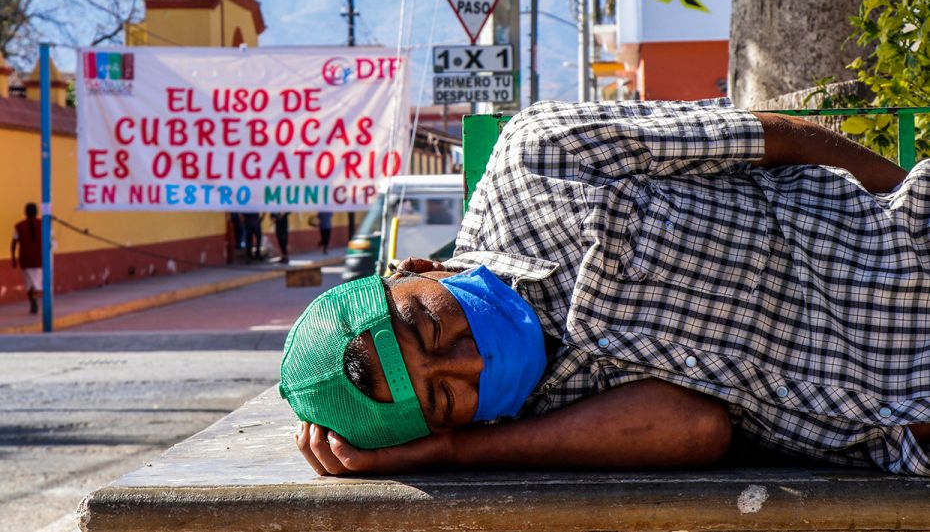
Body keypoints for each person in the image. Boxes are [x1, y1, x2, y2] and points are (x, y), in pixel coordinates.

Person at [279, 99, 930, 477]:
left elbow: (767, 137)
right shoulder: (540, 416)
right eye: (447, 395)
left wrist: (906, 193)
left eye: (432, 326)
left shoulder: (535, 160)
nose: (470, 360)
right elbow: (696, 428)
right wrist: (453, 447)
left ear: (415, 269)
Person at [10, 202, 43, 314]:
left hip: (25, 259)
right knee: (37, 283)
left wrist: (13, 258)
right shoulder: (43, 224)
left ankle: (33, 302)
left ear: (25, 212)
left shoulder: (19, 226)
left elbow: (14, 243)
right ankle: (35, 300)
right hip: (40, 259)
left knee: (29, 283)